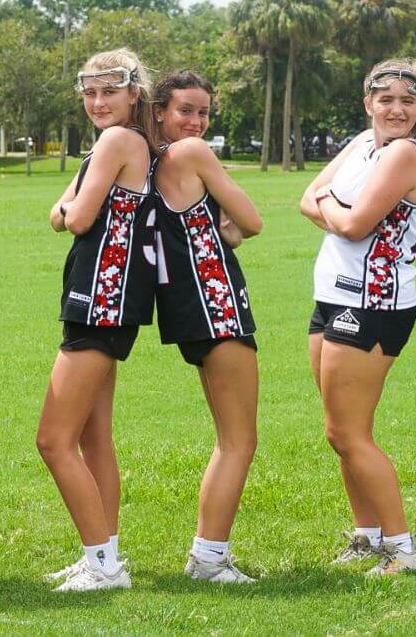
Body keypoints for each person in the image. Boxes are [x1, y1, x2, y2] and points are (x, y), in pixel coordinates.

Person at [300, 60, 416, 575]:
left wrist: (331, 205)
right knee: (344, 431)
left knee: (348, 433)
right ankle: (367, 537)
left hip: (373, 303)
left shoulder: (404, 154)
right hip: (332, 295)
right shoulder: (361, 144)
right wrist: (334, 207)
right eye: (386, 99)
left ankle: (403, 550)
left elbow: (351, 225)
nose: (396, 109)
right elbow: (305, 199)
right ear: (367, 102)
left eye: (408, 101)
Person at [36, 48, 158, 592]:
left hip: (101, 296)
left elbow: (73, 215)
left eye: (108, 91)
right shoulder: (117, 144)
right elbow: (58, 212)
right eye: (89, 92)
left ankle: (103, 567)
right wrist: (66, 209)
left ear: (134, 92)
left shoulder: (115, 141)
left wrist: (69, 210)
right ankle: (104, 554)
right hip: (110, 296)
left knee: (53, 439)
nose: (97, 102)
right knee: (93, 437)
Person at [152, 70, 262, 583]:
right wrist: (231, 223)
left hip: (186, 304)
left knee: (230, 437)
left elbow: (231, 231)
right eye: (185, 111)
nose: (196, 122)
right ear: (159, 112)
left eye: (204, 113)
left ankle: (209, 555)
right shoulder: (193, 155)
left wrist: (228, 226)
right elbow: (252, 221)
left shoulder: (148, 158)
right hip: (215, 300)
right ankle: (210, 558)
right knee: (238, 440)